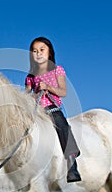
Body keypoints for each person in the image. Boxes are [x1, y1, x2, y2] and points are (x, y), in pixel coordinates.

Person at [25, 36, 81, 182]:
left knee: (62, 125)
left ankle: (71, 164)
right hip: (36, 110)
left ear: (49, 53)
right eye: (35, 51)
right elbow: (27, 94)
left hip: (51, 108)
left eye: (42, 50)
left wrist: (48, 87)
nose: (38, 53)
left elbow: (63, 92)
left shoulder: (57, 70)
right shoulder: (31, 76)